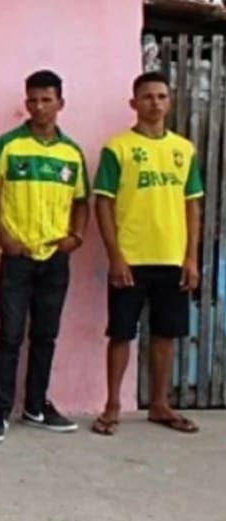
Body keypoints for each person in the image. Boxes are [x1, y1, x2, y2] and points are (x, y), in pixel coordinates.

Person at [0, 69, 89, 444]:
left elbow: (82, 201)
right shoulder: (8, 145)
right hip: (17, 257)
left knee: (46, 334)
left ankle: (37, 406)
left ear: (60, 104)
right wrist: (4, 237)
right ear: (26, 103)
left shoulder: (71, 153)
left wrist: (77, 236)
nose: (39, 107)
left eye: (47, 100)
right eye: (33, 100)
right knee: (9, 335)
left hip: (55, 257)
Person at [92, 72, 202, 436]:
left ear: (169, 102)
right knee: (122, 333)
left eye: (161, 96)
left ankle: (159, 404)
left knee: (166, 334)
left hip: (171, 257)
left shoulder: (184, 150)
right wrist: (116, 256)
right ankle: (111, 407)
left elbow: (192, 207)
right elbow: (103, 204)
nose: (154, 102)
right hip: (132, 258)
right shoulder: (118, 148)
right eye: (147, 96)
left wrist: (190, 257)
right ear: (133, 103)